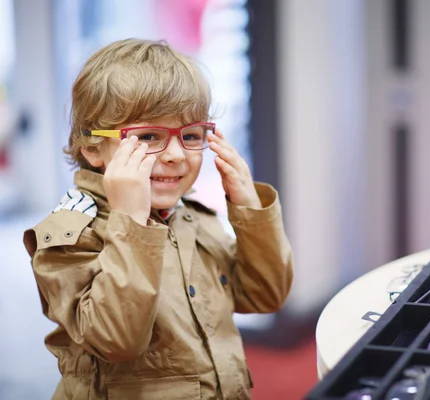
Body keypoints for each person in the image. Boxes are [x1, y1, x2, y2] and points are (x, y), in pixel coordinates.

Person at [22, 38, 294, 400]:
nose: (176, 155)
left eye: (191, 135)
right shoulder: (69, 237)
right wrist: (131, 223)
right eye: (149, 136)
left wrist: (248, 209)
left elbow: (265, 296)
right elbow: (117, 340)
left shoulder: (191, 217)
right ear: (92, 146)